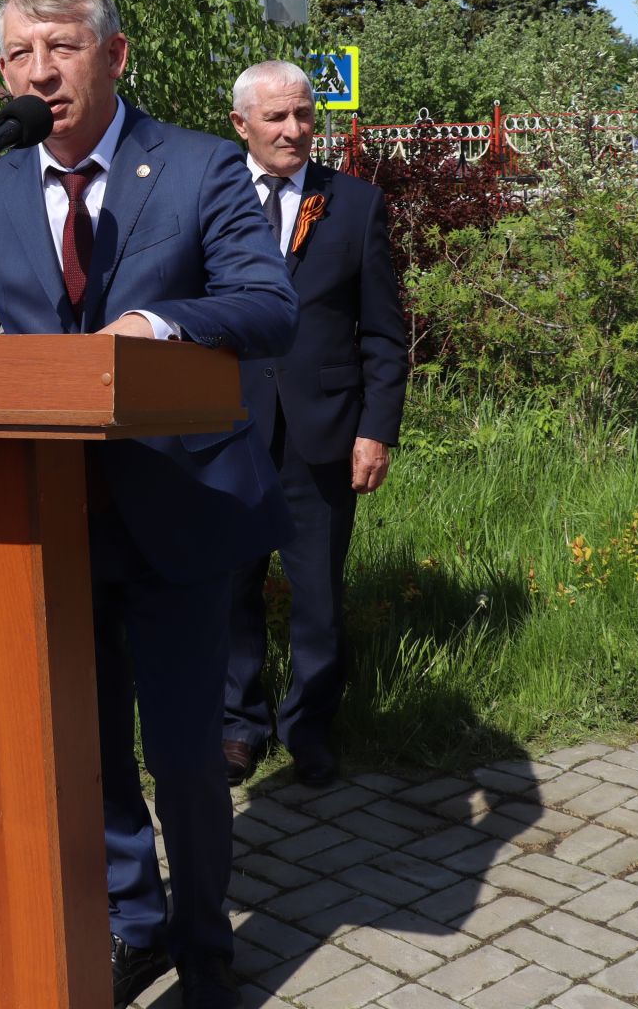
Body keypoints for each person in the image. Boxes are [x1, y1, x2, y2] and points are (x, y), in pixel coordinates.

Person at [0, 0, 297, 1009]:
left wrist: (162, 325)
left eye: (59, 48)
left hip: (181, 509)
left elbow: (268, 306)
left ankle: (206, 946)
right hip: (45, 521)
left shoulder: (200, 166)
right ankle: (135, 923)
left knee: (184, 756)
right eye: (16, 53)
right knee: (87, 757)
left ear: (114, 55)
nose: (37, 71)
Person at [219, 61, 408, 789]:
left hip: (323, 432)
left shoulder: (353, 204)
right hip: (225, 429)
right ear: (242, 124)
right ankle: (239, 725)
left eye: (304, 115)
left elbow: (384, 332)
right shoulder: (210, 199)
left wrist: (376, 429)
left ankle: (310, 728)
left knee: (319, 593)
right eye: (277, 118)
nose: (295, 129)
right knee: (230, 586)